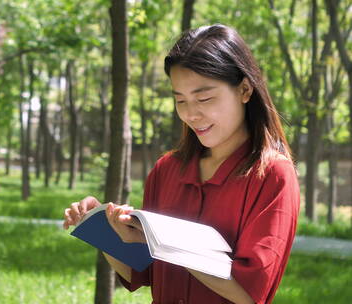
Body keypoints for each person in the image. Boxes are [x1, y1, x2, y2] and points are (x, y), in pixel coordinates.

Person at [63, 24, 300, 304]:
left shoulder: (273, 175)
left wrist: (170, 244)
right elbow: (145, 272)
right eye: (180, 100)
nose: (191, 114)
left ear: (245, 90)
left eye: (204, 98)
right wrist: (102, 229)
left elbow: (249, 293)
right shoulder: (167, 170)